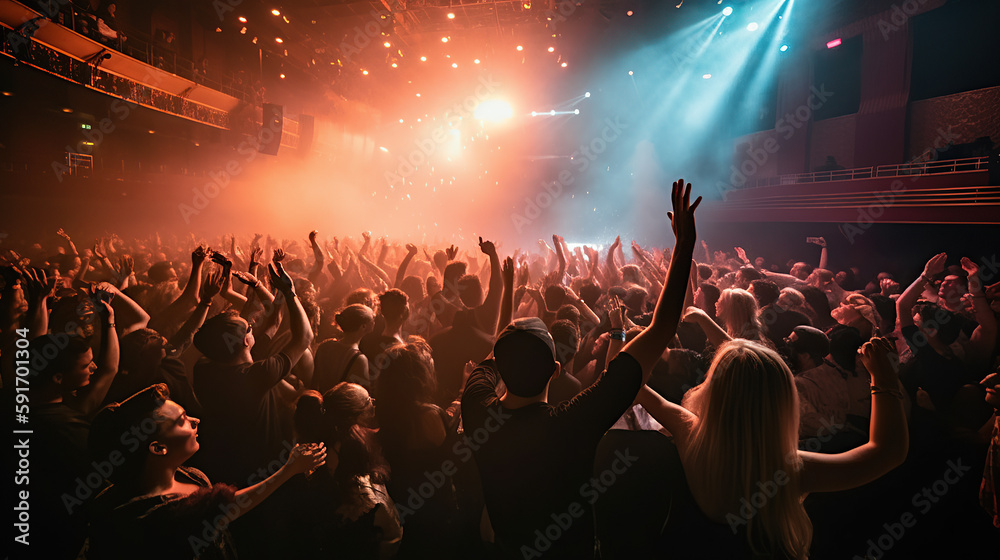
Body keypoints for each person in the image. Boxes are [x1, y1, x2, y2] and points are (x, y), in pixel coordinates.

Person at [462, 179, 701, 558]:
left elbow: (496, 351)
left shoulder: (475, 404)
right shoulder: (569, 424)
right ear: (555, 370)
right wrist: (684, 244)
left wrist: (509, 287)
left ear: (500, 369)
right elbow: (661, 329)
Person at [637, 336, 907, 558]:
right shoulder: (788, 471)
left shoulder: (688, 432)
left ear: (713, 391)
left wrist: (619, 334)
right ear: (782, 404)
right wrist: (883, 376)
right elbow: (887, 451)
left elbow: (633, 384)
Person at [88, 383, 325, 560]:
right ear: (158, 448)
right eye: (182, 420)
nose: (196, 420)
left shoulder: (189, 475)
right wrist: (289, 469)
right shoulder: (149, 515)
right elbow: (225, 509)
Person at [291, 384, 403, 559]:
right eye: (368, 401)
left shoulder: (326, 440)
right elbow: (390, 533)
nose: (373, 403)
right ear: (355, 416)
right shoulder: (350, 449)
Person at [313, 303, 374, 393]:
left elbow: (314, 381)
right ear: (363, 326)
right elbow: (363, 396)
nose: (374, 321)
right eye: (373, 318)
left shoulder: (325, 346)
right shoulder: (359, 359)